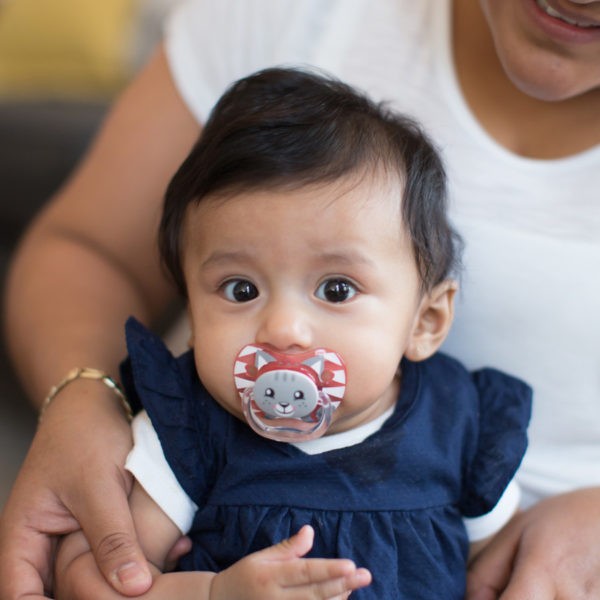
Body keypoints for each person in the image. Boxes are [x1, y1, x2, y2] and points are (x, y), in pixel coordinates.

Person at [0, 0, 599, 598]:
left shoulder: (460, 425)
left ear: (428, 320)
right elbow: (103, 579)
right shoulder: (189, 433)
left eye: (336, 290)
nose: (283, 328)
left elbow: (499, 568)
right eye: (241, 290)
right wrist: (211, 594)